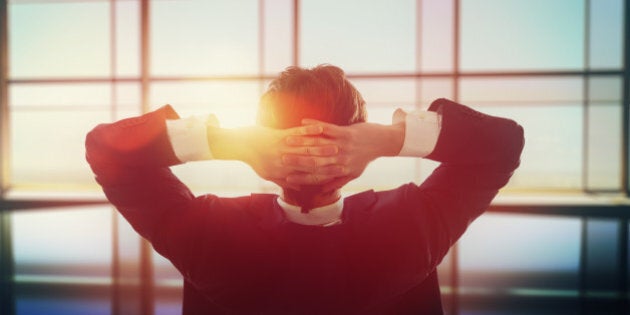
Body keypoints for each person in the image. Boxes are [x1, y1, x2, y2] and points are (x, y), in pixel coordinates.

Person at [86, 64, 524, 314]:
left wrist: (231, 142)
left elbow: (107, 151)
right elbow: (503, 145)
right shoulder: (412, 228)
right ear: (356, 156)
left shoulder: (208, 235)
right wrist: (386, 139)